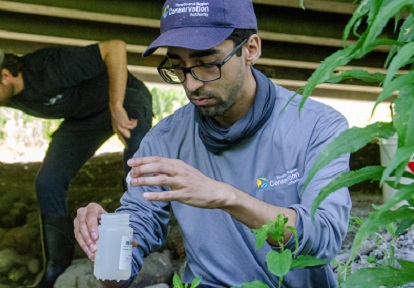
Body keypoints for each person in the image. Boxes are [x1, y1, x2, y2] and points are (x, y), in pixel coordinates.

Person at [74, 0, 351, 287]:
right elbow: (119, 272)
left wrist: (225, 197)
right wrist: (104, 244)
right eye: (179, 66)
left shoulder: (318, 126)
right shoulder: (165, 141)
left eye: (206, 63)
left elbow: (324, 237)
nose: (191, 85)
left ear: (251, 49)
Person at [0, 40, 152, 287]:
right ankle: (56, 265)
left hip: (124, 98)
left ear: (5, 75)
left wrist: (115, 105)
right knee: (48, 181)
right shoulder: (9, 95)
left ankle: (140, 245)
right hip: (84, 117)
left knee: (135, 162)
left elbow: (115, 48)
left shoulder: (48, 68)